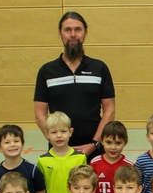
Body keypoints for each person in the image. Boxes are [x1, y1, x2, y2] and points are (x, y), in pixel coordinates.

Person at [34, 11, 115, 159]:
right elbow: (40, 114)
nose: (73, 34)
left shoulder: (99, 68)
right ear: (60, 33)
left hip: (94, 151)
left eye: (78, 29)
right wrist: (59, 142)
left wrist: (94, 144)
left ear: (85, 32)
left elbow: (109, 110)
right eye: (67, 30)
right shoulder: (47, 71)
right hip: (59, 152)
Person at [90, 120, 134, 193]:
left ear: (125, 142)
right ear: (102, 141)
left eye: (118, 143)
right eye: (109, 142)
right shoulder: (94, 163)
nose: (113, 147)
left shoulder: (130, 165)